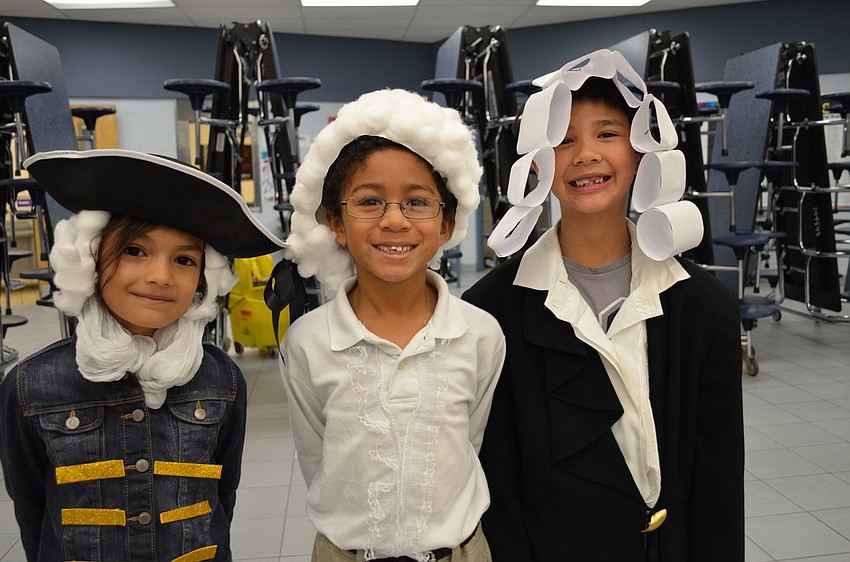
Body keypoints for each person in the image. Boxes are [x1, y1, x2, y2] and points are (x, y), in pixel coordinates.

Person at [462, 50, 744, 561]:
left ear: (643, 153)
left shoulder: (703, 307)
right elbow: (495, 484)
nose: (585, 154)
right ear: (538, 163)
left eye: (608, 134)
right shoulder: (491, 311)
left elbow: (718, 482)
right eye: (564, 140)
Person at [0, 149, 285, 561]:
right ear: (91, 257)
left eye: (184, 259)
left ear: (204, 279)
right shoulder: (30, 386)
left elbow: (221, 499)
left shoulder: (221, 381)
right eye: (135, 250)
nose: (160, 276)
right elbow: (32, 512)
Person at [280, 88, 506, 562]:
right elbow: (319, 458)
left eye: (418, 202)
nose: (395, 221)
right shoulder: (307, 342)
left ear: (446, 225)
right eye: (369, 201)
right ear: (335, 224)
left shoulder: (480, 334)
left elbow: (471, 441)